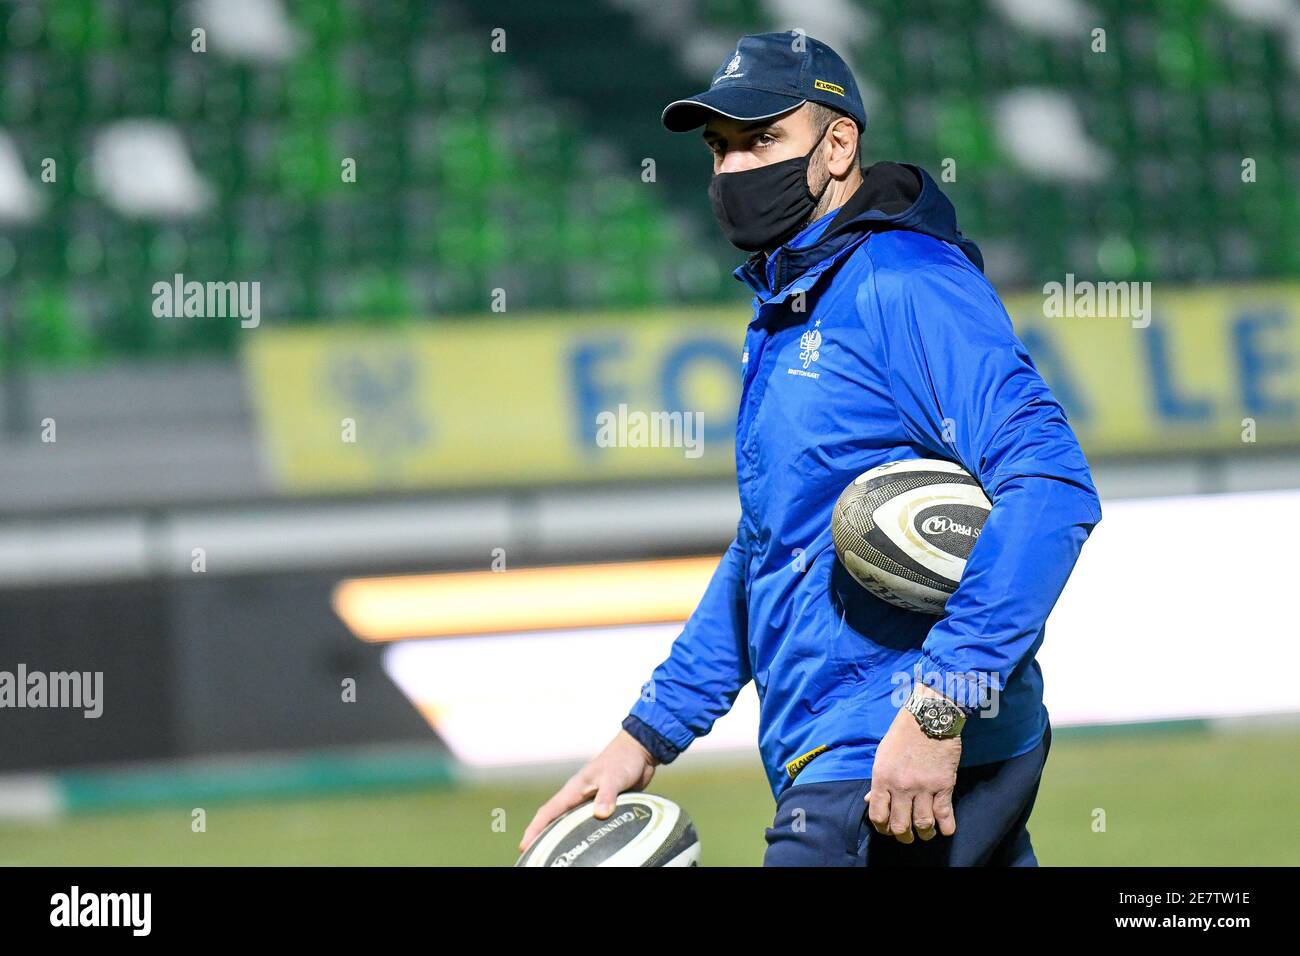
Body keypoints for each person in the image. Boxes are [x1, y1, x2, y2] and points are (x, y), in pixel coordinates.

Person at [521, 31, 1101, 866]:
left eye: (762, 140)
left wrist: (940, 706)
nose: (731, 171)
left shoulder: (905, 282)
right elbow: (770, 550)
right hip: (849, 752)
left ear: (838, 145)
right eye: (720, 148)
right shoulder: (788, 309)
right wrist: (644, 736)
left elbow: (1050, 485)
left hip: (888, 750)